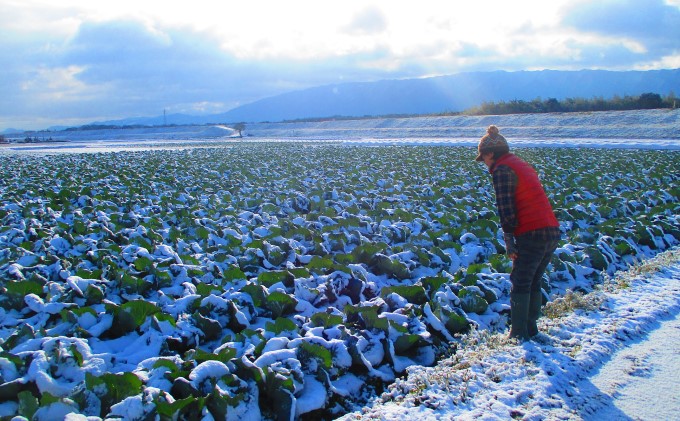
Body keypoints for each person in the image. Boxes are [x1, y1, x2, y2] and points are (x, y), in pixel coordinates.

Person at [475, 125, 560, 340]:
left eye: (483, 158)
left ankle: (519, 334)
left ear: (491, 154)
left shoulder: (502, 170)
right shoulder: (521, 164)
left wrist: (509, 239)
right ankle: (531, 329)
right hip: (550, 230)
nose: (484, 163)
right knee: (533, 280)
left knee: (521, 281)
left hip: (531, 232)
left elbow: (506, 208)